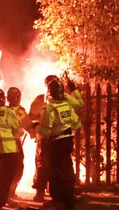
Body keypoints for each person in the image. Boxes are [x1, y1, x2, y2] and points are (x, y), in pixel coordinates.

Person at [30, 73, 83, 201]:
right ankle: (42, 191)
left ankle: (59, 194)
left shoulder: (60, 99)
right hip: (52, 138)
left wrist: (36, 127)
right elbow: (31, 117)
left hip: (51, 136)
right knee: (46, 165)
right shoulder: (41, 99)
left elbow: (78, 105)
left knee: (52, 166)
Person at [6, 87, 30, 201]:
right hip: (10, 142)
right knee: (14, 168)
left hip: (10, 142)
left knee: (14, 168)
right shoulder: (8, 110)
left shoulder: (18, 110)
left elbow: (27, 124)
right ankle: (6, 192)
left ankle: (8, 192)